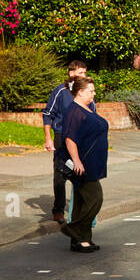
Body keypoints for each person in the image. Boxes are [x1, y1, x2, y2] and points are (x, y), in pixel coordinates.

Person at [58, 76, 108, 254]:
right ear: (80, 92)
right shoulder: (74, 111)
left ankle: (81, 240)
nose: (94, 94)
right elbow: (70, 138)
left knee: (81, 202)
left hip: (91, 163)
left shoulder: (85, 108)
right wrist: (77, 160)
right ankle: (73, 229)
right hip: (82, 164)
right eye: (90, 91)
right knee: (95, 199)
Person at [43, 60, 87, 222]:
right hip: (62, 136)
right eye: (80, 73)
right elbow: (47, 114)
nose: (83, 76)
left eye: (84, 72)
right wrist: (48, 139)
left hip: (81, 137)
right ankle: (58, 210)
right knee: (60, 173)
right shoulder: (60, 92)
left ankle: (80, 210)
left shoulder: (86, 92)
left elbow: (92, 114)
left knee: (81, 172)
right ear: (71, 73)